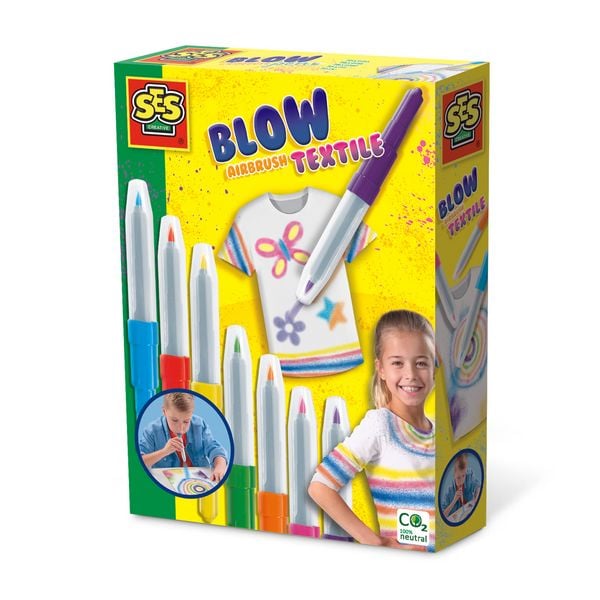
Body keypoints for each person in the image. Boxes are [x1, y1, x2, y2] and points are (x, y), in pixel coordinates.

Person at [309, 310, 436, 550]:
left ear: (434, 367)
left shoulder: (440, 433)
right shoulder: (380, 426)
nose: (410, 374)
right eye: (397, 363)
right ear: (381, 369)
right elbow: (320, 486)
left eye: (421, 363)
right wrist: (375, 541)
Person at [139, 392, 228, 482]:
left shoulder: (199, 425)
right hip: (166, 484)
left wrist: (220, 467)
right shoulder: (152, 431)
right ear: (164, 412)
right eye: (174, 420)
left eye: (186, 421)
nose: (180, 428)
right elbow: (140, 461)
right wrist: (164, 452)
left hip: (198, 482)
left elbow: (214, 449)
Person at [441, 453, 481, 520]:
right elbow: (443, 515)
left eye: (463, 475)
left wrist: (477, 496)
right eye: (458, 478)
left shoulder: (468, 477)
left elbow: (477, 486)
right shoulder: (449, 492)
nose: (462, 481)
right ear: (454, 475)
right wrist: (454, 501)